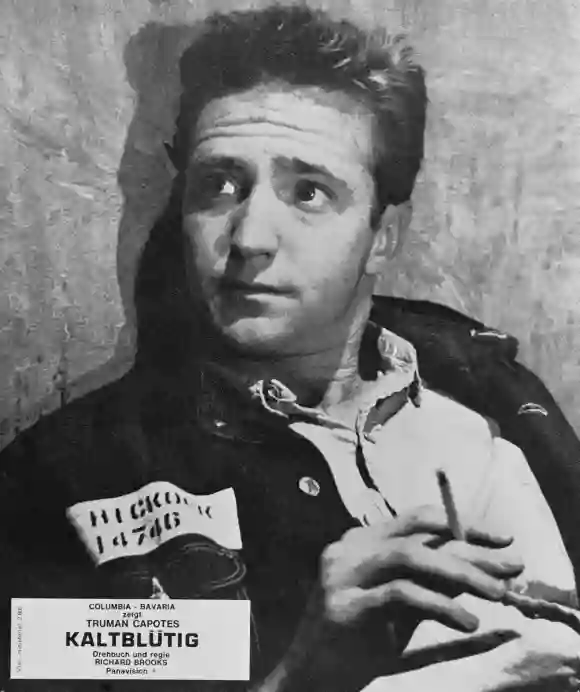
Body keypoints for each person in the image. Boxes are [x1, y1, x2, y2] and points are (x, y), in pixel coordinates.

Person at [1, 5, 580, 691]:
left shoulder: (496, 412)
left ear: (384, 236)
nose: (249, 238)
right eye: (218, 186)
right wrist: (300, 676)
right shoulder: (60, 479)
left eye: (308, 192)